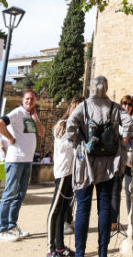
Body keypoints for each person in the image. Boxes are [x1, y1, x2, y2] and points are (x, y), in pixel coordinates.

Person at [66, 76, 133, 257]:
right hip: (109, 163)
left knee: (83, 208)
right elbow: (129, 123)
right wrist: (123, 140)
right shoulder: (115, 107)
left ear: (92, 89)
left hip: (85, 163)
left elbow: (69, 127)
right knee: (104, 208)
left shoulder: (83, 106)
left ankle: (80, 253)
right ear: (107, 88)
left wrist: (79, 143)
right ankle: (102, 252)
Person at [0, 89, 46, 242]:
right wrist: (9, 137)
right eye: (27, 99)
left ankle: (11, 226)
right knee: (10, 194)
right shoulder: (17, 112)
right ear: (23, 100)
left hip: (27, 161)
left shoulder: (31, 116)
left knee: (19, 195)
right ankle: (1, 229)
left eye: (32, 99)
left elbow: (42, 132)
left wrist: (35, 116)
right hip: (15, 160)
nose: (30, 101)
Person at [47, 94, 83, 257]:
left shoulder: (78, 127)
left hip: (72, 173)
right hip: (63, 172)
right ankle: (50, 249)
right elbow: (65, 147)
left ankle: (60, 247)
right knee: (55, 210)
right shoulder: (62, 125)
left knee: (63, 211)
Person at [109, 94, 133, 231]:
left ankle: (132, 219)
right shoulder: (116, 120)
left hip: (132, 162)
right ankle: (113, 222)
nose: (127, 106)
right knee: (115, 190)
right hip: (119, 160)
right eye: (125, 103)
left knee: (130, 191)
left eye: (130, 104)